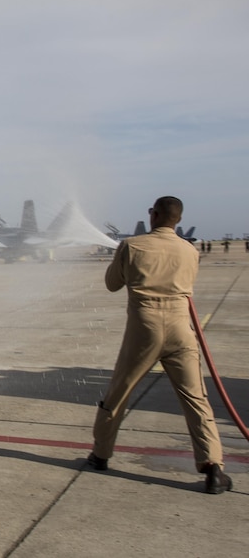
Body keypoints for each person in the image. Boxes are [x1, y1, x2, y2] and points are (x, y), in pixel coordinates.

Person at [87, 196, 231, 494]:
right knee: (195, 398)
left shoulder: (132, 245)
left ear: (153, 215)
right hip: (181, 328)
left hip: (144, 327)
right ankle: (213, 467)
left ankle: (101, 454)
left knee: (119, 391)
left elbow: (112, 283)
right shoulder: (190, 250)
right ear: (177, 219)